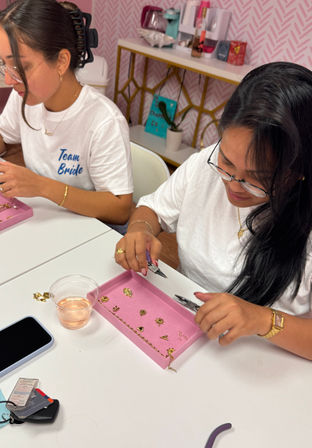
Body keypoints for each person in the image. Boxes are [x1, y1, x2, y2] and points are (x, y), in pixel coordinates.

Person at [115, 62, 312, 360]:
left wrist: (262, 319)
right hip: (189, 339)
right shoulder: (204, 164)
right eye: (227, 163)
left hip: (267, 367)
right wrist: (139, 231)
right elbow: (152, 210)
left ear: (298, 171)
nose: (233, 184)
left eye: (258, 178)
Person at [0, 0, 133, 225]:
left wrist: (42, 186)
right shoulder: (26, 98)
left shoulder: (104, 121)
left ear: (61, 61)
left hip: (87, 231)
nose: (9, 80)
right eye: (4, 65)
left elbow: (119, 209)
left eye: (19, 67)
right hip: (44, 219)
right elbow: (0, 136)